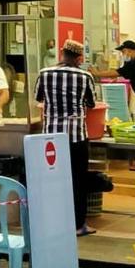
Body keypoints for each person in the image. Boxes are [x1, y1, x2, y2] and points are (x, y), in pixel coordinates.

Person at [34, 39, 97, 236]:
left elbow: (38, 98)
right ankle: (78, 225)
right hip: (76, 136)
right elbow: (92, 103)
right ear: (79, 58)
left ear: (62, 53)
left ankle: (53, 223)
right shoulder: (85, 76)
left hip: (50, 137)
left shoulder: (44, 74)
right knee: (78, 180)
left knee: (52, 180)